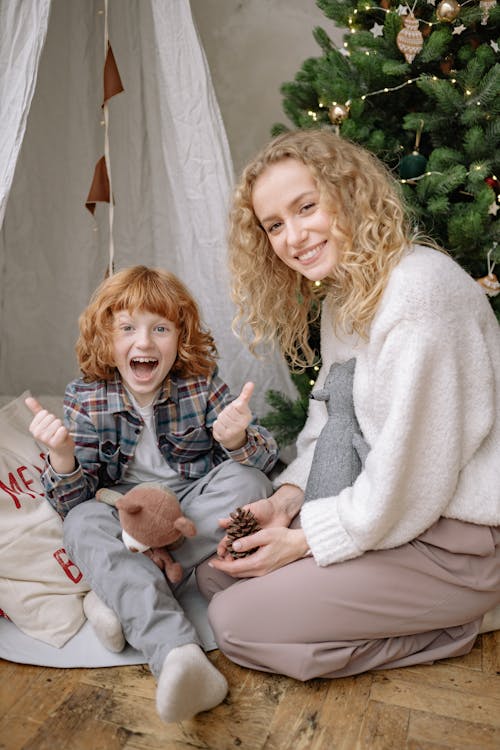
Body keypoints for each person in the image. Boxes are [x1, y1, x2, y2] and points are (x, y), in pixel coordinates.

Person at [196, 128, 500, 682]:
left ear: (349, 193)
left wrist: (305, 541)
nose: (293, 236)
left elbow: (412, 477)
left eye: (305, 206)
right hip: (397, 518)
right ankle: (339, 624)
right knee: (217, 577)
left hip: (458, 544)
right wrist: (286, 502)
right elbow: (332, 421)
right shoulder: (344, 297)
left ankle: (461, 624)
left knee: (233, 621)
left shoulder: (419, 295)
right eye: (274, 225)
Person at [26, 265, 277, 722]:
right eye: (127, 329)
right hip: (126, 507)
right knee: (82, 522)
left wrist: (239, 439)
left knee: (250, 484)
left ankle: (122, 590)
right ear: (107, 339)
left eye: (160, 328)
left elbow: (261, 465)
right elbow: (73, 500)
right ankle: (179, 653)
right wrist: (62, 456)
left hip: (190, 499)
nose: (144, 343)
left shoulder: (201, 383)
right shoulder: (86, 396)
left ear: (179, 339)